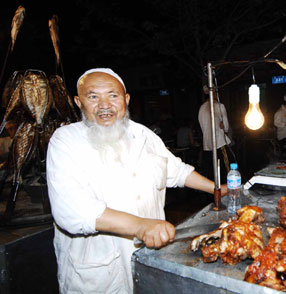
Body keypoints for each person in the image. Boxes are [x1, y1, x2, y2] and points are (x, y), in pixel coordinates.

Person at [46, 68, 227, 293]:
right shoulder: (65, 141)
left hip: (150, 262)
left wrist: (217, 189)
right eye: (93, 96)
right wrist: (140, 226)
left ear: (126, 99)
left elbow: (177, 171)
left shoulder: (143, 135)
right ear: (78, 102)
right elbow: (71, 211)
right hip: (100, 275)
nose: (104, 105)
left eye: (113, 95)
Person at [198, 85, 234, 182]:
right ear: (214, 93)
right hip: (219, 143)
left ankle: (211, 195)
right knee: (227, 172)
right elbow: (226, 128)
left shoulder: (201, 109)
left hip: (207, 147)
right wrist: (223, 126)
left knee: (211, 174)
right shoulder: (219, 106)